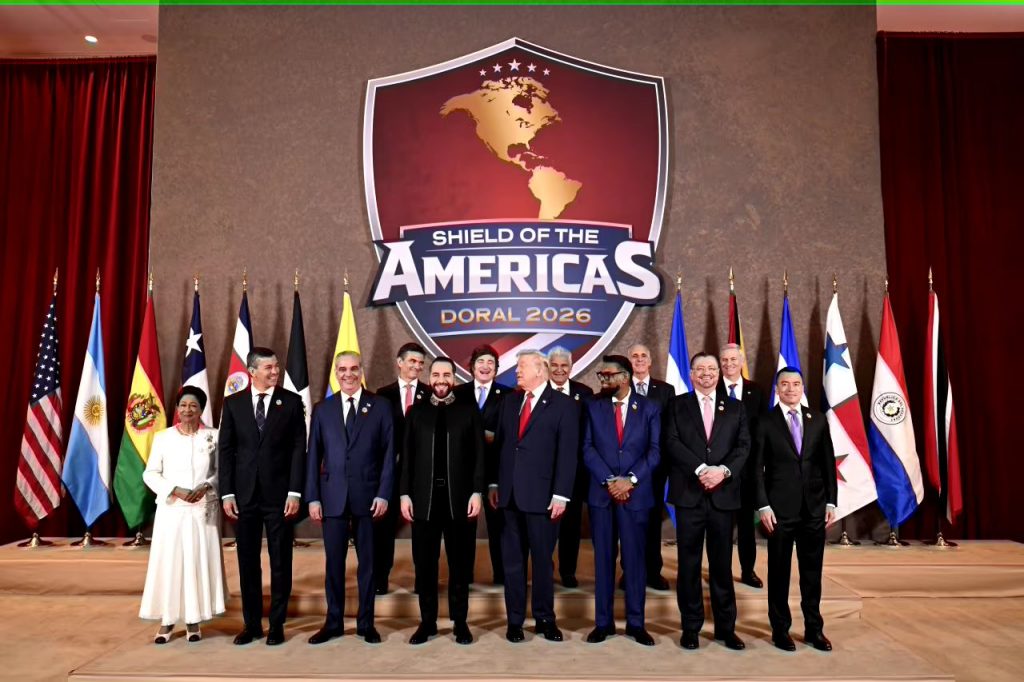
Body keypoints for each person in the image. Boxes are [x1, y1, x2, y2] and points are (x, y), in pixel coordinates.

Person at [305, 351, 395, 645]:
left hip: (369, 498)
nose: (348, 374)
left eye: (354, 368)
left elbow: (389, 455)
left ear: (361, 370)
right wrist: (313, 498)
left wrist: (383, 493)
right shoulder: (323, 409)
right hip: (332, 498)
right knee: (334, 564)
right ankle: (333, 623)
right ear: (336, 373)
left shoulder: (380, 406)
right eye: (342, 369)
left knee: (368, 565)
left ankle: (366, 624)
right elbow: (313, 456)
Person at [219, 347, 306, 646]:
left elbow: (299, 449)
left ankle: (277, 624)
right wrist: (227, 493)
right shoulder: (233, 404)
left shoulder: (291, 402)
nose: (275, 371)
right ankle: (252, 624)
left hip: (280, 497)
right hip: (244, 498)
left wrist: (295, 491)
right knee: (247, 562)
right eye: (269, 367)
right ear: (252, 371)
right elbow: (226, 450)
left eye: (276, 366)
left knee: (281, 560)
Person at [489, 350, 578, 643]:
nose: (517, 371)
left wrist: (561, 494)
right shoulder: (509, 402)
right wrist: (494, 483)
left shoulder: (564, 405)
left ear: (540, 370)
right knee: (512, 563)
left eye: (522, 366)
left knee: (542, 562)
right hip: (510, 497)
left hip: (543, 499)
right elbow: (501, 446)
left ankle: (544, 619)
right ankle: (514, 621)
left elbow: (567, 453)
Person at [663, 352, 749, 651]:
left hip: (723, 496)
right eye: (700, 369)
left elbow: (743, 446)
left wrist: (722, 471)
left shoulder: (736, 407)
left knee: (722, 565)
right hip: (689, 495)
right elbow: (671, 442)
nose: (707, 373)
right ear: (691, 374)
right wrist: (701, 469)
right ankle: (691, 627)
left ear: (719, 373)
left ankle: (726, 628)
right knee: (688, 565)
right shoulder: (677, 405)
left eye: (712, 368)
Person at [400, 357, 485, 645]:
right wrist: (404, 494)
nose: (440, 380)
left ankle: (460, 623)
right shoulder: (416, 412)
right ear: (429, 377)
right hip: (423, 502)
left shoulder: (468, 410)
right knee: (425, 566)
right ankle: (427, 623)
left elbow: (479, 456)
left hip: (459, 501)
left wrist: (477, 491)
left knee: (460, 566)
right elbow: (407, 457)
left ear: (454, 378)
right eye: (436, 374)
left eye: (446, 375)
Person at [755, 367, 837, 652]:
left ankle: (814, 630)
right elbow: (756, 469)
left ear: (803, 388)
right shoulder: (765, 421)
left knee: (812, 574)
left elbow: (828, 463)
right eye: (785, 384)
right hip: (779, 511)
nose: (791, 389)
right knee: (779, 573)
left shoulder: (818, 419)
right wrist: (763, 505)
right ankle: (780, 630)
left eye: (796, 384)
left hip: (814, 509)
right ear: (777, 389)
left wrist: (831, 501)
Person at [582, 355, 660, 646]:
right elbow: (587, 448)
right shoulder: (593, 407)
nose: (603, 380)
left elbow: (654, 451)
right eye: (601, 376)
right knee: (603, 560)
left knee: (635, 562)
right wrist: (610, 480)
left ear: (625, 377)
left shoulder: (649, 408)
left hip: (635, 496)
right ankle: (603, 623)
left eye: (608, 375)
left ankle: (636, 624)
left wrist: (631, 480)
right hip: (602, 495)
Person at [140, 386, 226, 643]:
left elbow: (223, 471)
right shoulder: (163, 438)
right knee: (171, 563)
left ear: (201, 410)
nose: (188, 410)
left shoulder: (214, 436)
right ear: (177, 409)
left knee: (197, 563)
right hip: (172, 511)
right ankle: (167, 621)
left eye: (193, 406)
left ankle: (193, 620)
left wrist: (207, 486)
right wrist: (174, 489)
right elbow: (150, 473)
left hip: (203, 511)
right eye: (183, 405)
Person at [453, 344, 512, 585]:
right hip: (464, 474)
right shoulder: (458, 393)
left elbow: (509, 436)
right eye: (480, 362)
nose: (485, 366)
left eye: (490, 363)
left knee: (499, 528)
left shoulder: (508, 395)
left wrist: (492, 438)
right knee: (464, 529)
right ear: (471, 367)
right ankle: (464, 576)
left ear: (496, 369)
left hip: (495, 474)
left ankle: (501, 576)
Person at [374, 341, 428, 594]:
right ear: (399, 362)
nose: (417, 366)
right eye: (412, 361)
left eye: (420, 363)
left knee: (422, 529)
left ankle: (422, 580)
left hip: (420, 475)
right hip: (390, 472)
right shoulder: (382, 394)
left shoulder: (429, 394)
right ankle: (380, 579)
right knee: (384, 529)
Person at [719, 343, 768, 588]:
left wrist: (761, 463)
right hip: (719, 470)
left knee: (746, 525)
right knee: (721, 527)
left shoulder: (756, 391)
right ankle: (721, 572)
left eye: (733, 360)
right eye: (724, 360)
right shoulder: (713, 388)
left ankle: (748, 571)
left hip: (748, 470)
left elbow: (761, 431)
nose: (729, 364)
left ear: (741, 362)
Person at [626, 343, 673, 590]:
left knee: (653, 522)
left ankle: (653, 572)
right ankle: (629, 572)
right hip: (626, 468)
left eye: (643, 355)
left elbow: (670, 430)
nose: (639, 359)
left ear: (650, 361)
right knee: (629, 522)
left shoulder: (665, 390)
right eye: (634, 356)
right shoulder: (621, 388)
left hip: (655, 469)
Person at [547, 346, 593, 588]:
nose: (559, 370)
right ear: (547, 367)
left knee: (570, 525)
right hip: (542, 473)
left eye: (564, 365)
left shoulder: (584, 393)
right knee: (544, 525)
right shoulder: (538, 391)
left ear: (571, 367)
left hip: (574, 472)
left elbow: (589, 433)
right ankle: (545, 568)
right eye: (554, 365)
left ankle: (568, 571)